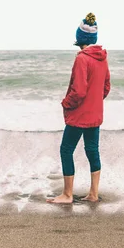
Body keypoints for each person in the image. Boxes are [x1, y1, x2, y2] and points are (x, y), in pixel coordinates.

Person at [47, 13, 111, 204]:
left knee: (66, 149)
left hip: (80, 115)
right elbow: (106, 87)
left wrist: (66, 103)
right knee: (92, 150)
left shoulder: (82, 59)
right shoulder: (102, 58)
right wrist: (95, 102)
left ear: (80, 38)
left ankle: (67, 194)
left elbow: (79, 91)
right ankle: (94, 193)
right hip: (95, 114)